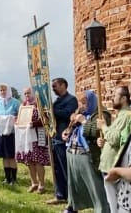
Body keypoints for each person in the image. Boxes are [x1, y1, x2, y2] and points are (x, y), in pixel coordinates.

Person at [61, 90, 110, 213]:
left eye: (84, 103)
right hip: (73, 154)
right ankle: (72, 206)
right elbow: (70, 129)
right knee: (74, 185)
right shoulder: (79, 113)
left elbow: (97, 131)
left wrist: (83, 121)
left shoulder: (101, 114)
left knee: (95, 187)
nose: (81, 106)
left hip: (88, 156)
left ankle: (102, 209)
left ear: (92, 102)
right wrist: (66, 133)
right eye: (80, 103)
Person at [96, 86, 131, 213]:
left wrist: (103, 127)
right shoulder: (119, 116)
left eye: (115, 96)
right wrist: (102, 142)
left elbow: (116, 139)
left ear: (123, 98)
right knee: (111, 201)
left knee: (116, 203)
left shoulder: (127, 116)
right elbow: (111, 139)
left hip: (114, 165)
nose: (113, 98)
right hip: (108, 165)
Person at [46, 77, 78, 205]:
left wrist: (52, 110)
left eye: (55, 86)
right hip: (55, 138)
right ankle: (60, 195)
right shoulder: (57, 101)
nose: (53, 89)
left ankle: (70, 196)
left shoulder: (71, 100)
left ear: (63, 85)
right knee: (57, 169)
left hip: (64, 139)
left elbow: (67, 114)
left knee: (65, 168)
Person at [15, 87, 50, 193]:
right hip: (27, 137)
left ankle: (42, 185)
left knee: (38, 160)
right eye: (25, 93)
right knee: (29, 160)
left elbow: (46, 120)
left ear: (33, 94)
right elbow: (19, 118)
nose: (27, 95)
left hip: (37, 136)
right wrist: (17, 122)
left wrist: (34, 124)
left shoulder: (39, 105)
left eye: (29, 93)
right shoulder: (23, 105)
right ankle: (34, 183)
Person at [0, 83, 20, 185]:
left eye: (4, 90)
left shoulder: (15, 102)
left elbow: (20, 115)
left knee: (11, 155)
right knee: (4, 156)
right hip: (1, 133)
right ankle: (7, 178)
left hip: (11, 133)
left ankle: (14, 179)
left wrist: (12, 118)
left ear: (8, 91)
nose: (3, 92)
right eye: (1, 90)